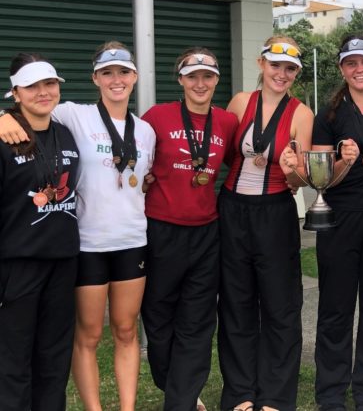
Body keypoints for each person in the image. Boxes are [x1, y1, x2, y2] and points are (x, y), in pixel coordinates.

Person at [0, 43, 157, 411]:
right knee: (24, 352)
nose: (43, 93)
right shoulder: (67, 118)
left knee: (62, 348)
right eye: (107, 73)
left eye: (50, 84)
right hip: (47, 253)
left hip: (80, 251)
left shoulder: (131, 130)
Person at [297, 35, 363, 411]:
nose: (359, 69)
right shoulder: (328, 114)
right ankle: (330, 395)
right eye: (351, 63)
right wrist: (344, 161)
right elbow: (319, 180)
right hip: (340, 217)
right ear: (342, 69)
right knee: (335, 309)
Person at [217, 35, 314, 411]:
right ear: (262, 64)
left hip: (275, 211)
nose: (282, 74)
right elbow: (223, 154)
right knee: (236, 302)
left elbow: (302, 180)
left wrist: (293, 171)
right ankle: (240, 392)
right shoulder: (241, 102)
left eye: (290, 69)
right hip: (232, 209)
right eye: (276, 65)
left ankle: (275, 396)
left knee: (280, 305)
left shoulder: (302, 114)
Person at [140, 47, 238, 411]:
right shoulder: (156, 117)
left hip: (206, 232)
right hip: (161, 230)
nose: (200, 83)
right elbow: (136, 161)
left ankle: (180, 401)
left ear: (216, 80)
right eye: (192, 76)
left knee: (198, 321)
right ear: (180, 79)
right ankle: (174, 386)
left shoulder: (226, 122)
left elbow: (239, 162)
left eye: (207, 76)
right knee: (159, 316)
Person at [0, 53, 80, 410]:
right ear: (15, 93)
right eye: (32, 86)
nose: (43, 92)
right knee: (13, 359)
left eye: (50, 84)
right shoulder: (5, 134)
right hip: (17, 264)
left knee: (54, 358)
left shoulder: (65, 130)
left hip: (63, 262)